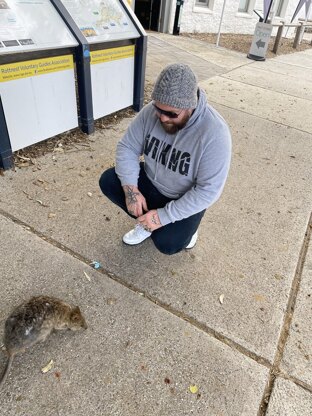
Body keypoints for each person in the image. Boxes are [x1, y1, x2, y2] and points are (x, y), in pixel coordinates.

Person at [99, 63, 231, 255]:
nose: (162, 118)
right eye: (158, 109)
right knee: (109, 180)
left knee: (168, 244)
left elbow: (208, 190)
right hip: (153, 181)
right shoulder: (150, 113)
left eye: (171, 114)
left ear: (190, 107)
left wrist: (164, 216)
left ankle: (185, 231)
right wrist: (131, 190)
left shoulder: (215, 133)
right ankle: (147, 224)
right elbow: (127, 147)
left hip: (184, 195)